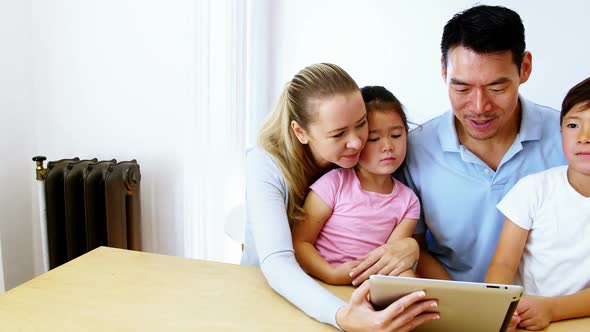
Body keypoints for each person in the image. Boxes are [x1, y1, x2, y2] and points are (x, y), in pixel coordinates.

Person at [241, 63, 439, 331]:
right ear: (301, 132)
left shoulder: (360, 161)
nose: (357, 142)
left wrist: (411, 247)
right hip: (272, 294)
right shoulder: (264, 166)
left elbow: (389, 222)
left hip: (349, 295)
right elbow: (278, 263)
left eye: (361, 125)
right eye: (338, 134)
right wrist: (342, 315)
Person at [402, 4, 568, 282]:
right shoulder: (413, 150)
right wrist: (466, 308)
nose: (479, 107)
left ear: (524, 68)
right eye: (462, 88)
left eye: (497, 88)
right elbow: (413, 248)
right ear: (444, 70)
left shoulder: (570, 141)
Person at [486, 77, 590, 330]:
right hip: (525, 317)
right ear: (561, 131)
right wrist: (497, 307)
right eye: (574, 125)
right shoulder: (534, 188)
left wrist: (553, 309)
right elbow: (503, 263)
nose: (584, 137)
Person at [292, 86, 419, 285]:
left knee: (410, 282)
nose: (388, 146)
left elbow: (392, 258)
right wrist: (331, 274)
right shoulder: (333, 184)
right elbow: (300, 243)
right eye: (374, 138)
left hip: (371, 282)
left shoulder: (409, 201)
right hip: (321, 279)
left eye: (396, 135)